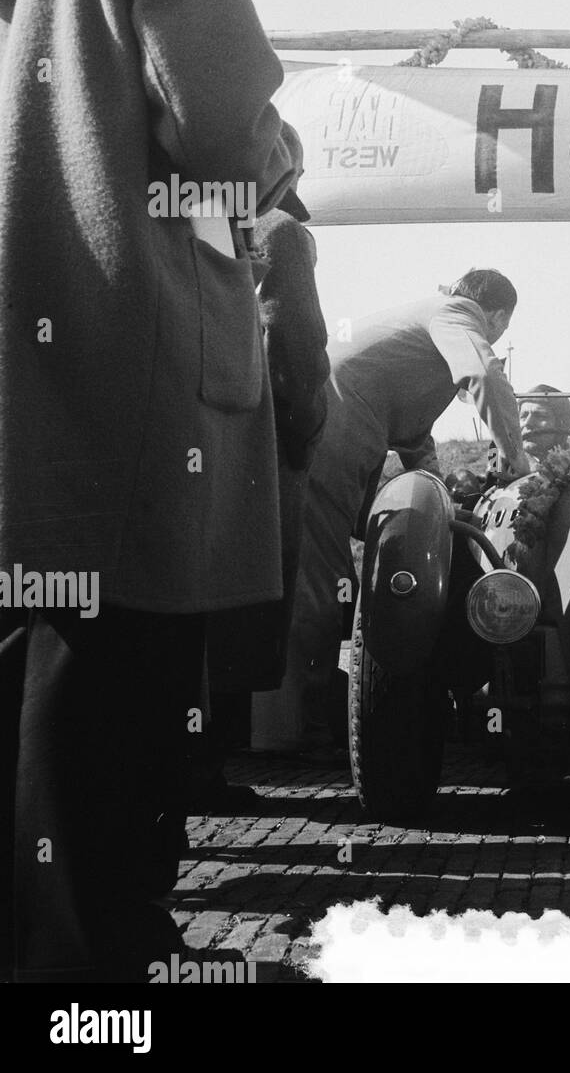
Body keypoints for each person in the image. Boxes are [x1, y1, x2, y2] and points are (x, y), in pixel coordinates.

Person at [0, 0, 302, 981]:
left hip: (31, 358)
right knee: (129, 678)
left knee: (39, 669)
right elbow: (226, 135)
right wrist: (277, 156)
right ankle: (98, 976)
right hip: (136, 347)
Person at [275, 270, 531, 752]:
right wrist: (517, 461)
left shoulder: (419, 333)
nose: (493, 336)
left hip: (336, 427)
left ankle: (304, 718)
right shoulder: (456, 315)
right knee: (321, 582)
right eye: (500, 330)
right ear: (497, 317)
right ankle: (296, 730)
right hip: (334, 435)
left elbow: (414, 438)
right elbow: (483, 374)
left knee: (320, 577)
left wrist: (443, 495)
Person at [197, 190, 331, 806]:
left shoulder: (170, 212)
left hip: (183, 445)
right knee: (247, 603)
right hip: (257, 444)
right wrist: (301, 431)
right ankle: (203, 770)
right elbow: (295, 336)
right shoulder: (279, 228)